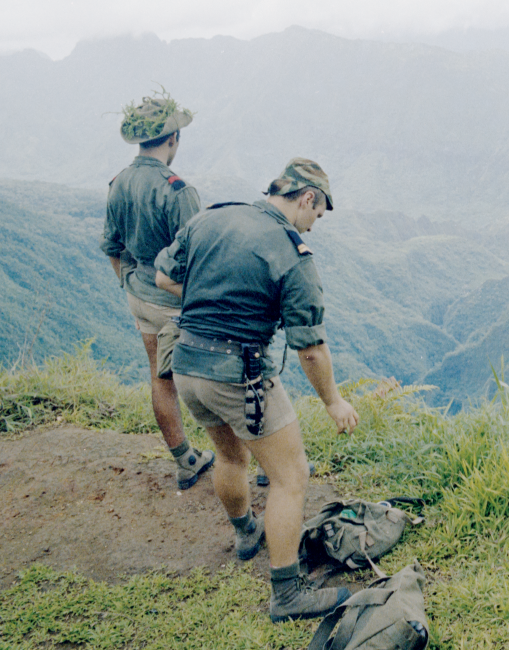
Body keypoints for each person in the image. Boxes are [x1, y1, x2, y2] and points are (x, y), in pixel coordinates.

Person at [154, 157, 361, 622]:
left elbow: (163, 276)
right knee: (291, 477)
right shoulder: (291, 253)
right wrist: (333, 401)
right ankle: (288, 595)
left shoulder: (211, 217)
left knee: (230, 457)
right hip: (240, 374)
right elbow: (310, 348)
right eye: (319, 213)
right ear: (307, 198)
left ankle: (246, 532)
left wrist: (210, 299)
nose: (315, 225)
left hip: (186, 366)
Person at [99, 92, 214, 490]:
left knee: (159, 378)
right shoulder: (177, 191)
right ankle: (256, 463)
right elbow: (198, 259)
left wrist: (129, 284)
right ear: (173, 139)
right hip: (177, 302)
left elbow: (113, 248)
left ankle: (185, 461)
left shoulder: (119, 183)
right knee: (218, 380)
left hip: (139, 295)